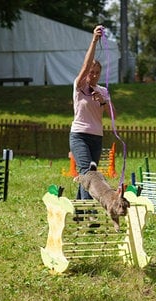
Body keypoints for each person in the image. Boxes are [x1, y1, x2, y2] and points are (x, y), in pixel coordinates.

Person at [70, 25, 114, 199]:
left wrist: (103, 102)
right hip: (79, 135)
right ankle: (89, 214)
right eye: (91, 72)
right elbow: (85, 65)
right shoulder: (79, 86)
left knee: (90, 173)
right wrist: (94, 40)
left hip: (97, 137)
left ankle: (79, 212)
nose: (93, 75)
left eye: (97, 73)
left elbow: (113, 115)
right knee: (88, 173)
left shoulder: (103, 91)